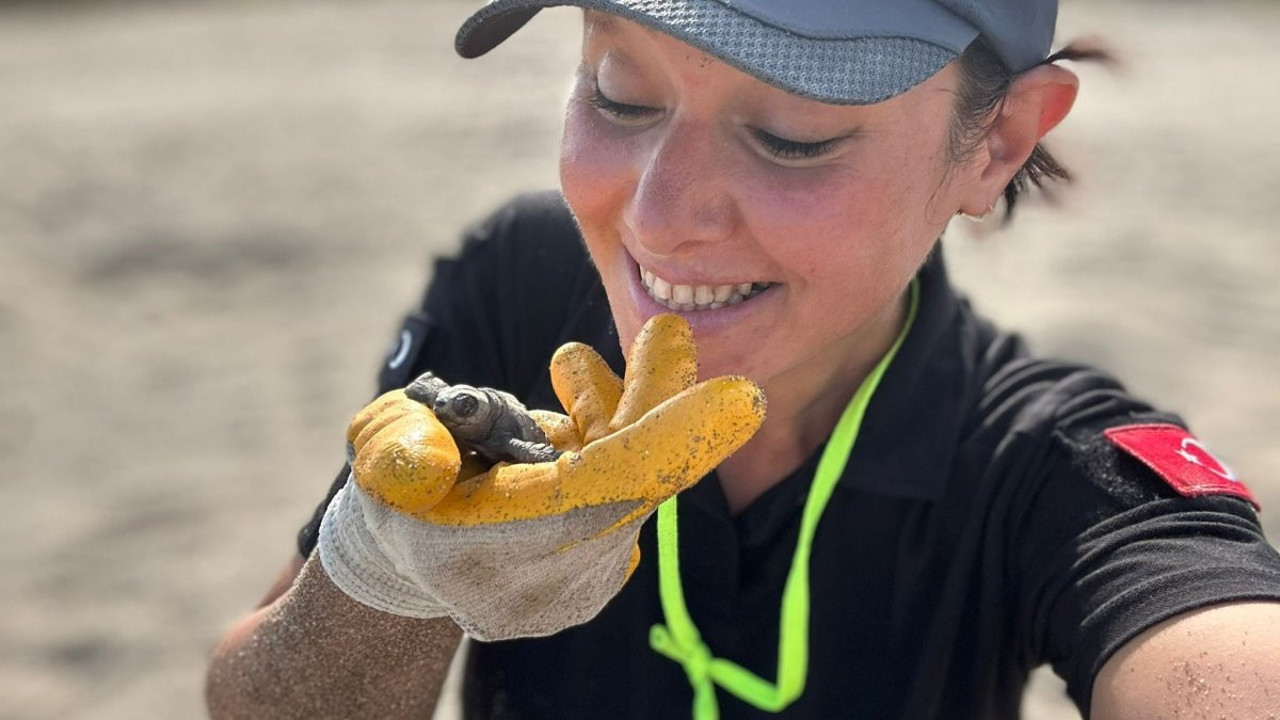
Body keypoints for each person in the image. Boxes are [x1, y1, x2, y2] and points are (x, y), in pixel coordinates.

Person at [205, 1, 1280, 718]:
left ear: (996, 141)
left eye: (790, 136)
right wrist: (383, 571)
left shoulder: (1045, 465)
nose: (659, 220)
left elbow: (1213, 637)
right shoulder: (521, 289)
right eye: (618, 93)